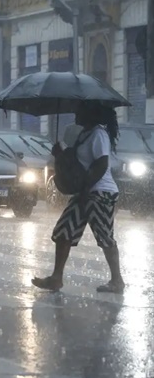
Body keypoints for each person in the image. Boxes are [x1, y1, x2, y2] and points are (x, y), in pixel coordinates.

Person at [32, 103, 125, 294]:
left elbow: (101, 165)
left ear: (91, 113)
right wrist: (61, 154)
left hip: (100, 193)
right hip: (84, 192)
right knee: (64, 231)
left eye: (80, 111)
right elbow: (78, 163)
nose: (76, 114)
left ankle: (117, 281)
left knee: (104, 235)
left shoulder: (99, 134)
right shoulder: (85, 134)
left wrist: (85, 190)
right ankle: (56, 278)